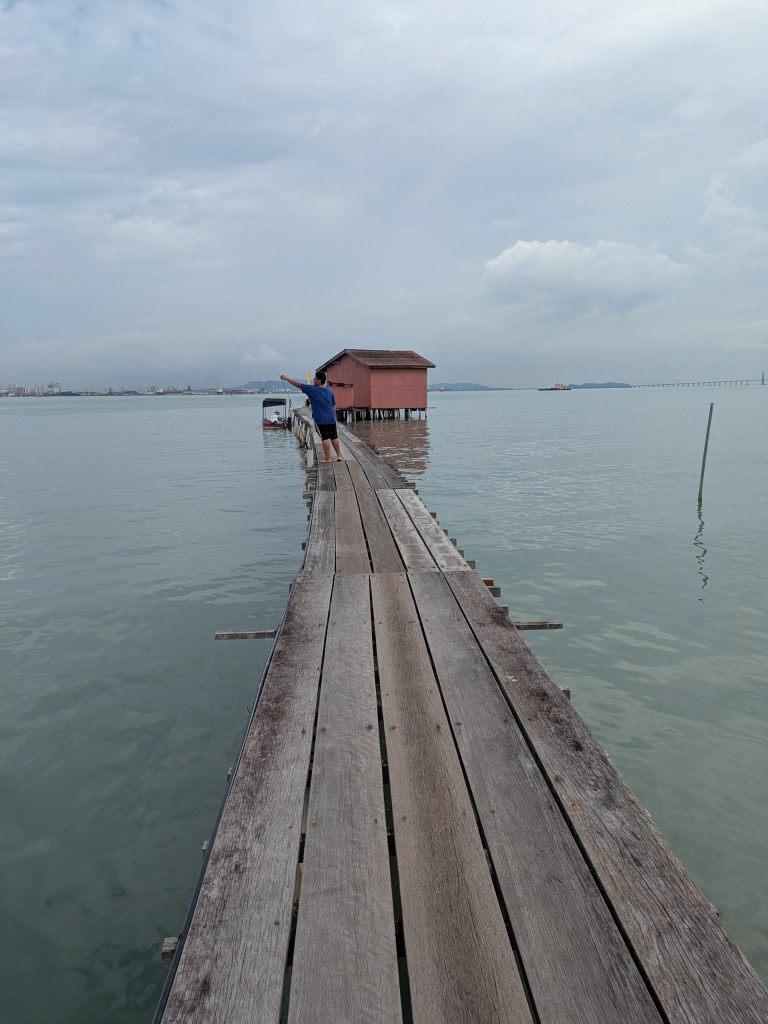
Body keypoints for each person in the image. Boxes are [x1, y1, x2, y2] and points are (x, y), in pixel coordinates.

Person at [279, 370, 342, 463]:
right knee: (334, 437)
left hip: (321, 419)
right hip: (332, 418)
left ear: (319, 380)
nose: (314, 379)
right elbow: (334, 404)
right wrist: (333, 415)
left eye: (315, 378)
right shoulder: (329, 391)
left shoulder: (312, 389)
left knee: (325, 438)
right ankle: (339, 456)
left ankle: (328, 458)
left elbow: (298, 384)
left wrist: (286, 378)